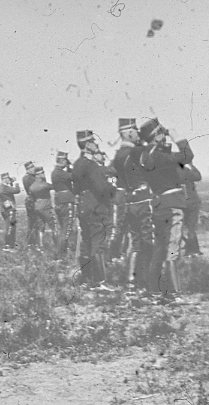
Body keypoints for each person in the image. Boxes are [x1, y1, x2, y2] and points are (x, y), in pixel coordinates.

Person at [138, 118, 195, 302]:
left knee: (160, 248)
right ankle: (174, 293)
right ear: (156, 136)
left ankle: (154, 290)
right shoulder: (161, 156)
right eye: (161, 133)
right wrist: (178, 138)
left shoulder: (146, 156)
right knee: (172, 249)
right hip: (173, 204)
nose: (164, 135)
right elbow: (187, 156)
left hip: (159, 205)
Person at [111, 118, 152, 291]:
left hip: (129, 201)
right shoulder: (135, 153)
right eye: (135, 131)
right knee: (147, 240)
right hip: (143, 200)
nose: (138, 134)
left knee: (135, 242)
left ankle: (131, 280)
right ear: (128, 133)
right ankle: (146, 280)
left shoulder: (119, 155)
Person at [72, 129, 116, 291]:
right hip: (95, 206)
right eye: (93, 141)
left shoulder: (77, 164)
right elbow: (102, 188)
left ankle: (86, 278)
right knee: (98, 242)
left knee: (87, 242)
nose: (96, 143)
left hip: (83, 207)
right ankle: (99, 281)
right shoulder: (90, 165)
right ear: (87, 145)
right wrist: (112, 187)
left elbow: (76, 188)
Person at [51, 151, 77, 260]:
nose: (66, 163)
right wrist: (71, 166)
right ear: (62, 161)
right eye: (66, 161)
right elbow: (74, 177)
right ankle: (61, 256)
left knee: (63, 229)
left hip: (59, 202)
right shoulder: (60, 173)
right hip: (66, 202)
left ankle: (60, 253)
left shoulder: (55, 172)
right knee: (66, 230)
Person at [29, 166, 56, 251]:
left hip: (37, 207)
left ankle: (40, 245)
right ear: (38, 175)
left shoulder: (32, 186)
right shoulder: (44, 185)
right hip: (46, 207)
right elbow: (53, 186)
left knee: (41, 227)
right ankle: (57, 245)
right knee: (53, 226)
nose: (44, 174)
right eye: (42, 173)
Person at [181, 163, 203, 256]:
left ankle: (192, 249)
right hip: (192, 203)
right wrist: (191, 165)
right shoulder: (186, 170)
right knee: (191, 228)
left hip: (182, 203)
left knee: (184, 228)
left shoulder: (172, 171)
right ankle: (192, 250)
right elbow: (198, 176)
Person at [0, 172, 20, 251]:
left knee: (10, 226)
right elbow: (17, 190)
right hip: (9, 209)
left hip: (5, 209)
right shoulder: (4, 188)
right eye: (7, 178)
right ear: (4, 179)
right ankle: (8, 245)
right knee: (10, 227)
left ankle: (10, 244)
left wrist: (10, 183)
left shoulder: (0, 188)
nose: (9, 179)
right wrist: (16, 183)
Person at [21, 161, 39, 249]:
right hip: (33, 201)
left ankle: (30, 243)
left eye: (33, 166)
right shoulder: (30, 178)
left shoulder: (25, 178)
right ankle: (32, 243)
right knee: (34, 223)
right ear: (27, 169)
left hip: (30, 201)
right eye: (31, 167)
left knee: (32, 223)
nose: (34, 168)